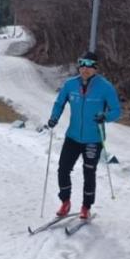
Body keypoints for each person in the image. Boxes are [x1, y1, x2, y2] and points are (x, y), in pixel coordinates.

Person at [45, 51, 122, 220]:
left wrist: (105, 117)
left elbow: (117, 111)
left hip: (93, 139)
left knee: (89, 172)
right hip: (72, 136)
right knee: (63, 169)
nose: (85, 69)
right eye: (82, 64)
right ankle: (65, 202)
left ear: (95, 68)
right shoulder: (70, 85)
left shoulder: (105, 87)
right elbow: (59, 103)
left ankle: (86, 207)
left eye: (89, 65)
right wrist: (53, 118)